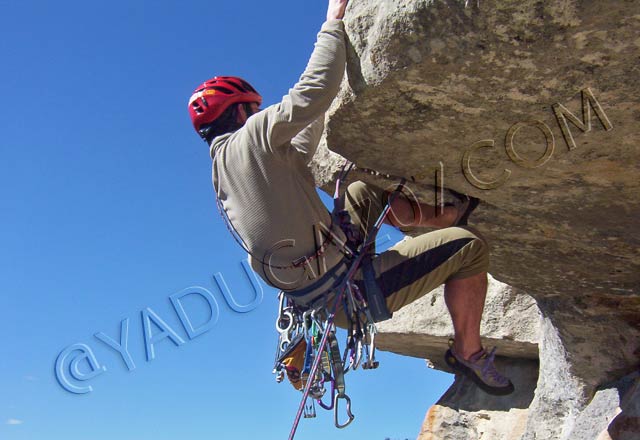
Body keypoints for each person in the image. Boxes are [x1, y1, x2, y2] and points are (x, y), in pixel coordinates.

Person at [187, 0, 513, 396]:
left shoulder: (226, 168)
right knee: (471, 247)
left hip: (325, 276)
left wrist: (333, 90)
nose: (260, 111)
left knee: (361, 190)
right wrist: (332, 26)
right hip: (348, 289)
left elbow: (302, 144)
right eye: (254, 108)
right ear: (240, 113)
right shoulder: (251, 138)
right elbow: (311, 93)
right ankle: (468, 351)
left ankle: (437, 219)